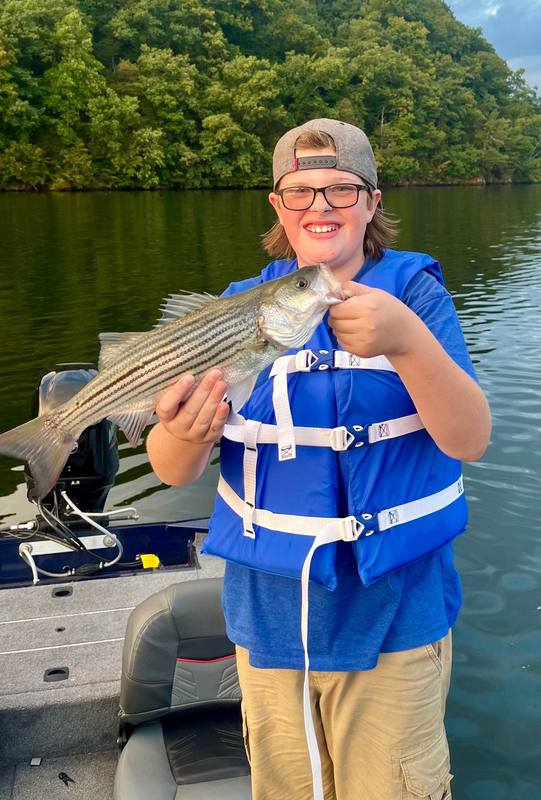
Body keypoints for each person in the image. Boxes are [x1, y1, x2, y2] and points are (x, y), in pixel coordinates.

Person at [146, 119, 491, 800]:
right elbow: (171, 469)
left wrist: (408, 342)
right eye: (301, 192)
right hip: (267, 624)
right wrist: (183, 432)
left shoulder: (415, 296)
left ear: (371, 202)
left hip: (394, 619)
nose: (321, 207)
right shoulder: (238, 306)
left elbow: (470, 439)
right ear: (277, 205)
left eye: (341, 190)